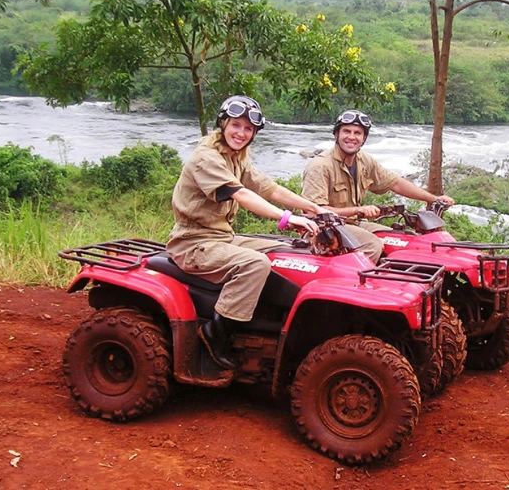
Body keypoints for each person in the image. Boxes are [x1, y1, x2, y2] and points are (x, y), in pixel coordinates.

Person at [166, 95, 327, 370]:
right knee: (255, 263)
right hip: (192, 242)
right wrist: (287, 218)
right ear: (223, 124)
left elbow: (269, 188)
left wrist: (314, 207)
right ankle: (217, 332)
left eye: (248, 129)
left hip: (221, 237)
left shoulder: (237, 157)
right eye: (236, 125)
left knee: (290, 252)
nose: (241, 133)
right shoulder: (206, 158)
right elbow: (242, 194)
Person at [301, 109, 454, 264]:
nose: (351, 137)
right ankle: (354, 285)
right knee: (372, 245)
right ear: (336, 135)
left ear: (364, 138)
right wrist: (358, 210)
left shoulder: (364, 161)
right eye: (346, 131)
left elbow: (395, 183)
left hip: (353, 223)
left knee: (400, 240)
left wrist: (434, 198)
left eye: (357, 133)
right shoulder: (320, 166)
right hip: (323, 231)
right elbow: (313, 211)